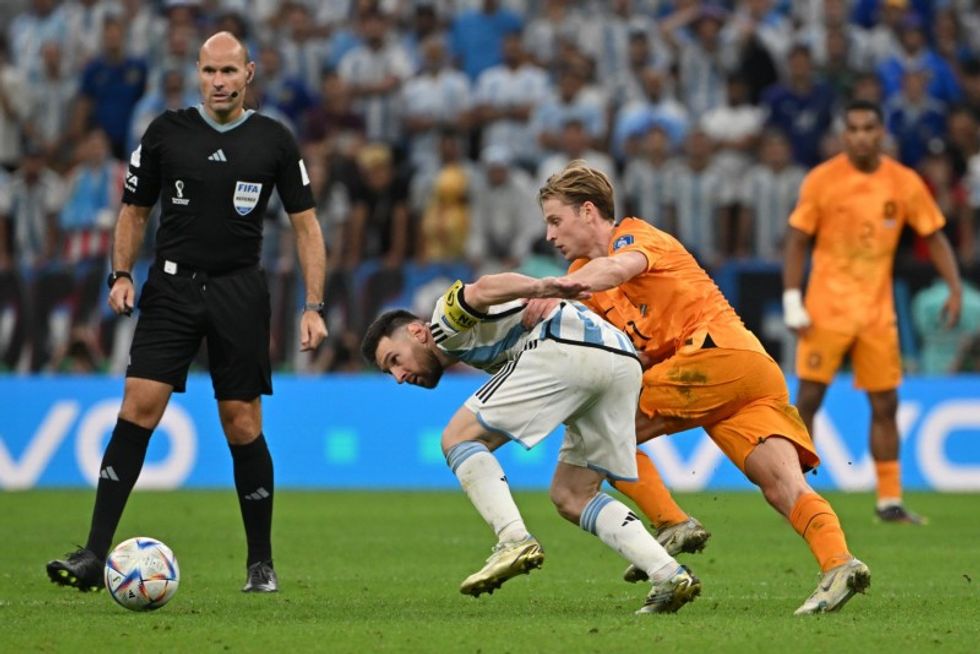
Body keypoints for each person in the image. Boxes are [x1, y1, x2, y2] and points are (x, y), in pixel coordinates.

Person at [46, 31, 327, 593]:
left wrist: (314, 306)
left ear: (250, 73)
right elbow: (132, 211)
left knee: (241, 422)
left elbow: (307, 227)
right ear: (196, 73)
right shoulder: (165, 132)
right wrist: (121, 274)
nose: (219, 82)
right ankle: (95, 555)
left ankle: (260, 563)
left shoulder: (274, 139)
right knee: (138, 406)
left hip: (239, 292)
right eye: (209, 72)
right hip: (171, 289)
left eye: (229, 71)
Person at [534, 160, 869, 615]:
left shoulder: (632, 239)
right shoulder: (583, 277)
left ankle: (672, 523)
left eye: (556, 220)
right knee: (780, 483)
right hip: (744, 371)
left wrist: (554, 289)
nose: (550, 234)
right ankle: (839, 563)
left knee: (602, 426)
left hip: (714, 354)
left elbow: (616, 270)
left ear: (588, 211)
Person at [359, 273, 701, 615]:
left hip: (567, 349)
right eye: (391, 373)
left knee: (457, 438)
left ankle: (513, 540)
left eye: (394, 360)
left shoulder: (441, 325)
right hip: (621, 361)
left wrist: (545, 287)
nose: (401, 377)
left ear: (417, 332)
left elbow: (483, 289)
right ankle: (668, 574)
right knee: (573, 494)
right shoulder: (471, 343)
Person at [783, 99, 964, 525]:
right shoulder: (822, 180)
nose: (861, 136)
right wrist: (793, 299)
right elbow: (796, 240)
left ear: (881, 133)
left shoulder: (904, 182)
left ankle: (889, 501)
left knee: (886, 403)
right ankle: (793, 490)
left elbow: (935, 237)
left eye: (869, 128)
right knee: (808, 397)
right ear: (844, 135)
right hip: (825, 308)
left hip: (876, 312)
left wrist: (955, 288)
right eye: (854, 128)